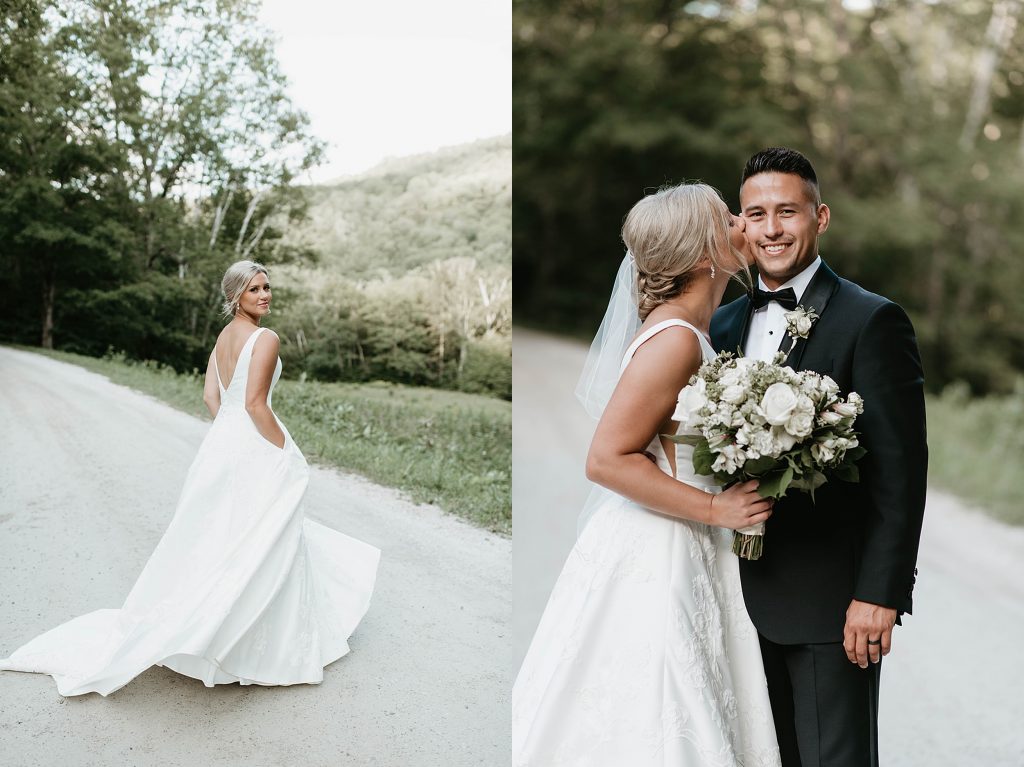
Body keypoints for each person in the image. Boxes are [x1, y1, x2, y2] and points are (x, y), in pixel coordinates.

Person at [0, 260, 380, 697]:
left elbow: (211, 396)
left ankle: (209, 634)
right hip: (257, 442)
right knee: (262, 537)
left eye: (267, 286)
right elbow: (257, 405)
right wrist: (283, 452)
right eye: (255, 289)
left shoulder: (223, 337)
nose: (265, 295)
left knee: (221, 538)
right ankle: (252, 647)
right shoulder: (266, 338)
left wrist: (229, 433)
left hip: (224, 445)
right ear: (236, 295)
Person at [513, 183, 783, 766]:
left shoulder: (692, 331)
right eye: (728, 217)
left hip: (688, 543)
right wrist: (716, 509)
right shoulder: (677, 340)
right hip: (663, 548)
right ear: (704, 252)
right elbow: (606, 458)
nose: (743, 222)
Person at [710, 147, 928, 767]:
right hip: (731, 597)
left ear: (820, 216)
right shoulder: (721, 326)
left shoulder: (873, 321)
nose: (772, 229)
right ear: (739, 224)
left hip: (830, 607)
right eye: (756, 214)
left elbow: (901, 474)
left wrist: (879, 595)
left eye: (787, 212)